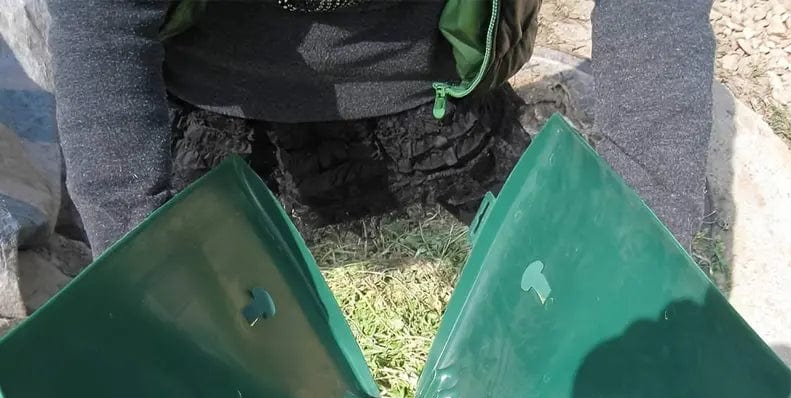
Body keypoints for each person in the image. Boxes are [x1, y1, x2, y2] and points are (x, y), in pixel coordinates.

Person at [47, 0, 715, 258]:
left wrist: (649, 251)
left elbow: (654, 12)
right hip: (215, 117)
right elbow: (99, 29)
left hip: (437, 110)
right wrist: (135, 261)